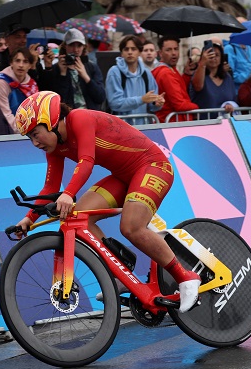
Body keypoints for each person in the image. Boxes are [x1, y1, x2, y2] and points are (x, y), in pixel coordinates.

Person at [11, 91, 201, 312]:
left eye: (35, 134)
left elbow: (87, 161)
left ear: (51, 122)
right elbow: (50, 188)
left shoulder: (79, 118)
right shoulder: (55, 147)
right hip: (123, 176)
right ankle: (121, 274)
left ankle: (186, 277)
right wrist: (28, 219)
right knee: (79, 216)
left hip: (152, 166)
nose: (34, 143)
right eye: (30, 138)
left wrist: (69, 193)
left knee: (131, 227)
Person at [38, 29, 106, 111]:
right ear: (65, 46)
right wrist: (62, 75)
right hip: (68, 115)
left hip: (89, 114)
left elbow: (100, 97)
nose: (75, 49)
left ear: (84, 47)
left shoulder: (91, 67)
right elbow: (58, 101)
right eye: (71, 45)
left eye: (79, 46)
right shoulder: (57, 68)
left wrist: (86, 77)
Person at [105, 35, 163, 124]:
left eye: (133, 49)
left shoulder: (146, 73)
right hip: (121, 127)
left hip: (145, 127)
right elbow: (115, 103)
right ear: (121, 53)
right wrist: (141, 99)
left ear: (139, 52)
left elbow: (152, 105)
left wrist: (157, 103)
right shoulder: (114, 72)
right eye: (126, 49)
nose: (130, 52)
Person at [0, 47, 37, 132]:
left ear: (30, 66)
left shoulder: (32, 84)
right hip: (2, 131)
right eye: (17, 61)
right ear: (11, 63)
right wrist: (24, 132)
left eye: (25, 62)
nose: (21, 65)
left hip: (26, 131)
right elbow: (5, 114)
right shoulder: (1, 82)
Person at [151, 36, 198, 122]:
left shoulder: (168, 69)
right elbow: (179, 104)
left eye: (176, 49)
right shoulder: (166, 73)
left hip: (170, 121)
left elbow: (179, 88)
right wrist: (197, 107)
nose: (173, 53)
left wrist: (186, 74)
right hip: (173, 122)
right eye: (168, 50)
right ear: (160, 53)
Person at [188, 40, 237, 115]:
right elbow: (197, 86)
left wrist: (229, 105)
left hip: (224, 120)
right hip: (204, 120)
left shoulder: (227, 77)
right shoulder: (199, 74)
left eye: (217, 55)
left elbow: (234, 99)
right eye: (210, 55)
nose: (213, 58)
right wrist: (203, 63)